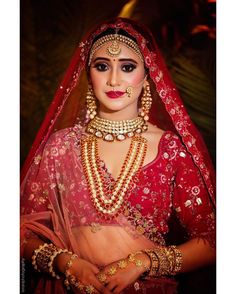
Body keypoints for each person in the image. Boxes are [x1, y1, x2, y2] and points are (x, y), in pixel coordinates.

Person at [20, 17, 216, 294]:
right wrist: (66, 263)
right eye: (102, 66)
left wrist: (144, 261)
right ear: (88, 75)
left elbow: (214, 241)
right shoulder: (61, 146)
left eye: (127, 67)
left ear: (147, 75)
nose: (114, 79)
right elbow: (21, 231)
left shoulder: (171, 151)